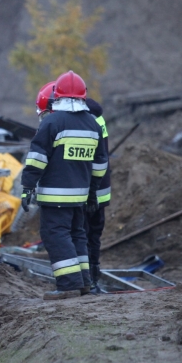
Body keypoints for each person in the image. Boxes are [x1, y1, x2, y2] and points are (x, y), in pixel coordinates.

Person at [20, 71, 108, 300]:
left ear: (56, 96)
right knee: (78, 234)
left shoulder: (52, 121)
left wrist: (27, 187)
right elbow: (100, 164)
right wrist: (91, 192)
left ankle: (68, 284)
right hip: (80, 196)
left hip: (55, 196)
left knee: (55, 235)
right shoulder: (93, 124)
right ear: (83, 96)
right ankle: (84, 282)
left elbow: (37, 159)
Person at [84, 98, 111, 294]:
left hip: (86, 188)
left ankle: (87, 280)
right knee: (93, 235)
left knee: (81, 234)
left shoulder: (79, 119)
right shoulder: (97, 118)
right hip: (100, 187)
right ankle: (93, 279)